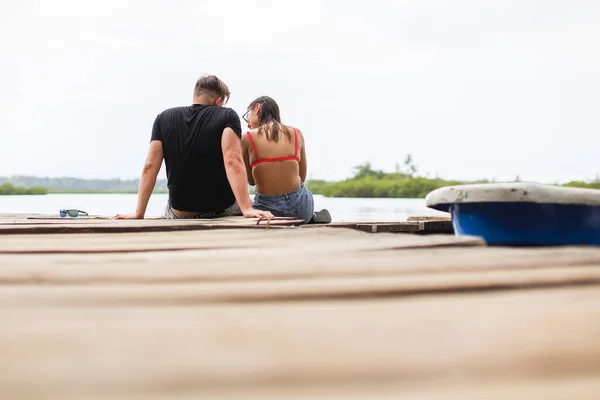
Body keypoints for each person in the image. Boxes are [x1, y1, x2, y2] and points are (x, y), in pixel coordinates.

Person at [113, 75, 273, 220]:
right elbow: (232, 161)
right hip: (222, 209)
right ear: (219, 100)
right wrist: (246, 209)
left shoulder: (163, 118)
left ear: (196, 94)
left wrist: (139, 213)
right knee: (257, 202)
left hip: (180, 212)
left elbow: (150, 166)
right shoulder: (227, 116)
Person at [241, 96, 331, 224]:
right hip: (301, 209)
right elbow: (302, 177)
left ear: (257, 108)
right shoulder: (296, 133)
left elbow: (251, 181)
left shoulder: (247, 138)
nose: (248, 123)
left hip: (268, 211)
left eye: (247, 116)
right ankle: (310, 215)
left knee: (247, 202)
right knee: (303, 191)